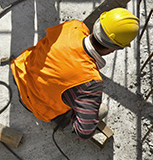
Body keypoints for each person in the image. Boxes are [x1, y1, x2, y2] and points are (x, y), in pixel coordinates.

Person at [10, 8, 139, 140]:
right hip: (34, 104)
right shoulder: (90, 82)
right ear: (113, 49)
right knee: (102, 110)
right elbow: (84, 132)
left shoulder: (73, 27)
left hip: (20, 71)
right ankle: (63, 121)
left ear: (97, 24)